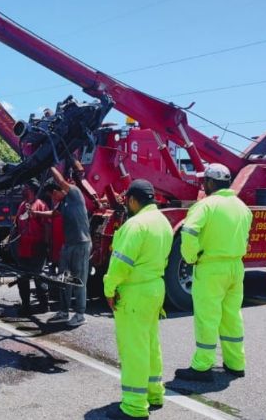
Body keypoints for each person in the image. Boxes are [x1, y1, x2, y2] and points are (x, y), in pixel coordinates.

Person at [174, 163, 252, 382]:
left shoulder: (205, 206)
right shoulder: (241, 206)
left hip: (211, 267)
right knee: (232, 316)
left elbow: (188, 232)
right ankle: (235, 363)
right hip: (236, 267)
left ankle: (202, 366)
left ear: (209, 182)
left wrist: (191, 257)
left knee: (207, 317)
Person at [104, 179, 173, 419]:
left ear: (133, 200)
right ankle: (154, 393)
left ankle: (134, 406)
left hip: (135, 291)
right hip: (155, 288)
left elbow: (120, 263)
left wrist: (109, 289)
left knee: (134, 347)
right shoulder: (163, 222)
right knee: (151, 343)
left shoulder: (136, 225)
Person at [33, 165, 91, 327]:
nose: (52, 198)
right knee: (64, 278)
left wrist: (49, 163)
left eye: (53, 194)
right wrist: (36, 214)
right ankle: (64, 311)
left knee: (78, 280)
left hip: (81, 244)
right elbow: (53, 214)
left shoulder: (74, 193)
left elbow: (60, 180)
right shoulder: (63, 204)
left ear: (60, 190)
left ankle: (80, 314)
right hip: (69, 245)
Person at [14, 180, 49, 315]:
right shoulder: (22, 205)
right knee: (22, 278)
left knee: (38, 276)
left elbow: (46, 226)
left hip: (37, 246)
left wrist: (45, 245)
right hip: (24, 247)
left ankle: (44, 305)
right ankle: (26, 306)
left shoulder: (40, 205)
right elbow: (17, 223)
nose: (23, 189)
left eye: (26, 187)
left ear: (32, 190)